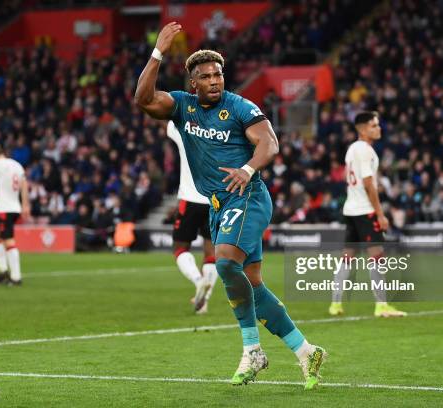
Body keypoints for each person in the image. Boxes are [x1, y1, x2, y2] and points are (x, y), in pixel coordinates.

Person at [135, 22, 326, 390]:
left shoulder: (239, 106)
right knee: (252, 285)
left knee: (224, 262)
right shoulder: (183, 106)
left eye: (218, 74)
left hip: (249, 196)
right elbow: (143, 99)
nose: (214, 80)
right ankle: (305, 351)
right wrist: (158, 52)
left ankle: (252, 349)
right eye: (205, 76)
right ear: (193, 83)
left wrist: (247, 166)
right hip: (219, 204)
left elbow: (269, 144)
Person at [328, 111, 407, 317]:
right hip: (365, 210)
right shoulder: (366, 151)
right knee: (377, 257)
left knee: (347, 257)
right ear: (363, 129)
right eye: (374, 125)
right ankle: (381, 305)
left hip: (351, 209)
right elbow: (369, 184)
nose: (378, 128)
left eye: (378, 125)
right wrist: (380, 214)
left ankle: (335, 304)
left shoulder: (352, 148)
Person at [166, 120, 219, 314]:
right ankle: (203, 301)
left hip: (189, 198)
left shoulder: (183, 131)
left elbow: (166, 117)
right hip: (214, 200)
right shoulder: (219, 133)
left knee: (180, 247)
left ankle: (198, 281)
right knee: (211, 253)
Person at [0, 143, 30, 286]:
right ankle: (3, 270)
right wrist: (25, 204)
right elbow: (24, 184)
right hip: (15, 207)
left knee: (8, 240)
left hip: (5, 208)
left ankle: (16, 277)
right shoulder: (16, 165)